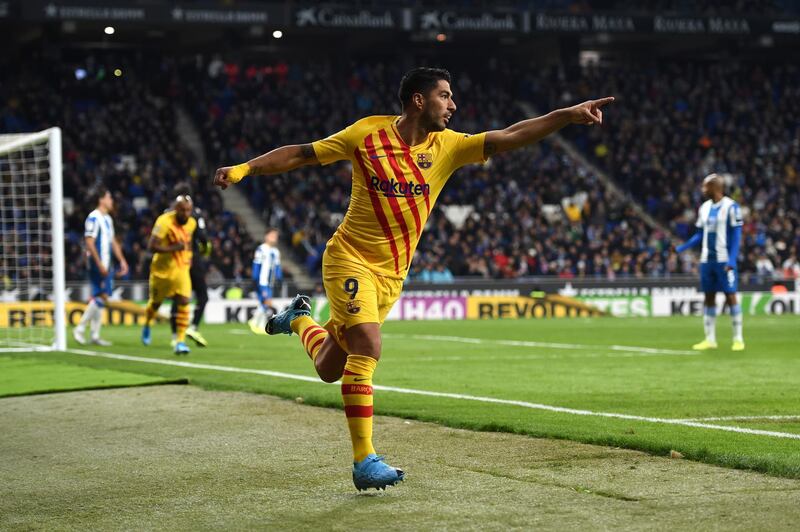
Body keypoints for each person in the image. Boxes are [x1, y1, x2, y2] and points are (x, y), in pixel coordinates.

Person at [213, 67, 613, 491]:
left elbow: (512, 134)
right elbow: (302, 154)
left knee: (331, 368)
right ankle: (364, 460)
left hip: (391, 277)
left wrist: (566, 115)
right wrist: (245, 169)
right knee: (367, 344)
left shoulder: (449, 147)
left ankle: (297, 320)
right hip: (348, 258)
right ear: (418, 100)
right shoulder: (366, 134)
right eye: (445, 95)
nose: (453, 105)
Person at [676, 174, 744, 351]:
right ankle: (710, 339)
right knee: (708, 297)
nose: (702, 189)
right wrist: (682, 247)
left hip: (724, 260)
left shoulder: (731, 207)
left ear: (716, 187)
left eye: (705, 186)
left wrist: (732, 259)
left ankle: (738, 338)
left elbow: (737, 235)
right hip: (707, 260)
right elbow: (700, 234)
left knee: (731, 296)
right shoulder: (704, 208)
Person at [141, 195, 197, 355]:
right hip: (161, 271)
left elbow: (188, 242)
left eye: (188, 210)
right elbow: (151, 246)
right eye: (182, 210)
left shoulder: (192, 223)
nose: (186, 214)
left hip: (180, 269)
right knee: (156, 303)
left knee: (184, 300)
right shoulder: (164, 221)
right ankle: (147, 323)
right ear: (176, 209)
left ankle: (180, 341)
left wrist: (189, 257)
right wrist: (175, 248)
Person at [73, 185, 129, 346]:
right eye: (109, 197)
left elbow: (112, 242)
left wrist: (122, 260)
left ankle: (94, 335)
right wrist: (99, 263)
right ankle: (80, 329)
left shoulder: (108, 219)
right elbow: (89, 242)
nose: (111, 201)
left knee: (102, 297)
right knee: (101, 295)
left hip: (107, 263)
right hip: (97, 263)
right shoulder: (93, 218)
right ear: (101, 199)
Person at [169, 184, 211, 348]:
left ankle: (174, 334)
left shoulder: (168, 215)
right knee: (203, 295)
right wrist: (205, 251)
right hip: (194, 260)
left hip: (176, 262)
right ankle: (193, 327)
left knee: (178, 297)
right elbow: (203, 238)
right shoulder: (196, 213)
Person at [248, 228, 283, 335]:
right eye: (272, 235)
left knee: (265, 303)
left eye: (276, 236)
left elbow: (277, 267)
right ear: (266, 236)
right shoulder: (261, 249)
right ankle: (254, 321)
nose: (274, 238)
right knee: (267, 302)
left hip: (270, 282)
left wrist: (279, 279)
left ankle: (260, 324)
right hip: (262, 281)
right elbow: (256, 265)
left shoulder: (276, 252)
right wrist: (255, 279)